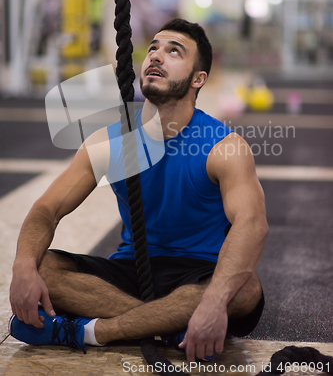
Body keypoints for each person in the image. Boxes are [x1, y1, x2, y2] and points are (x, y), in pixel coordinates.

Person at [9, 18, 268, 363]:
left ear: (198, 79)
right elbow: (47, 210)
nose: (157, 56)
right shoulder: (109, 142)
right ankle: (170, 327)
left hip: (198, 273)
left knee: (246, 290)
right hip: (131, 269)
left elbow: (252, 225)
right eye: (153, 49)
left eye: (174, 51)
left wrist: (213, 303)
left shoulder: (223, 146)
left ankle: (91, 332)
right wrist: (23, 267)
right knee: (42, 267)